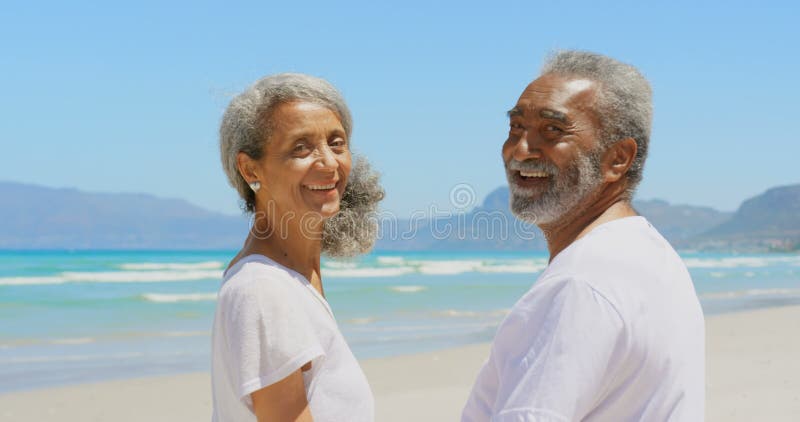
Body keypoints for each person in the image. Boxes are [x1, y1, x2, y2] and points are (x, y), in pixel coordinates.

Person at [462, 51, 705, 421]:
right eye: (516, 128)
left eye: (552, 131)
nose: (520, 151)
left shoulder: (579, 285)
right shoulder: (650, 255)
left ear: (618, 158)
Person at [211, 73, 383, 422]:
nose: (329, 163)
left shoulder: (292, 282)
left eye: (337, 143)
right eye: (301, 148)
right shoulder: (263, 290)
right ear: (249, 169)